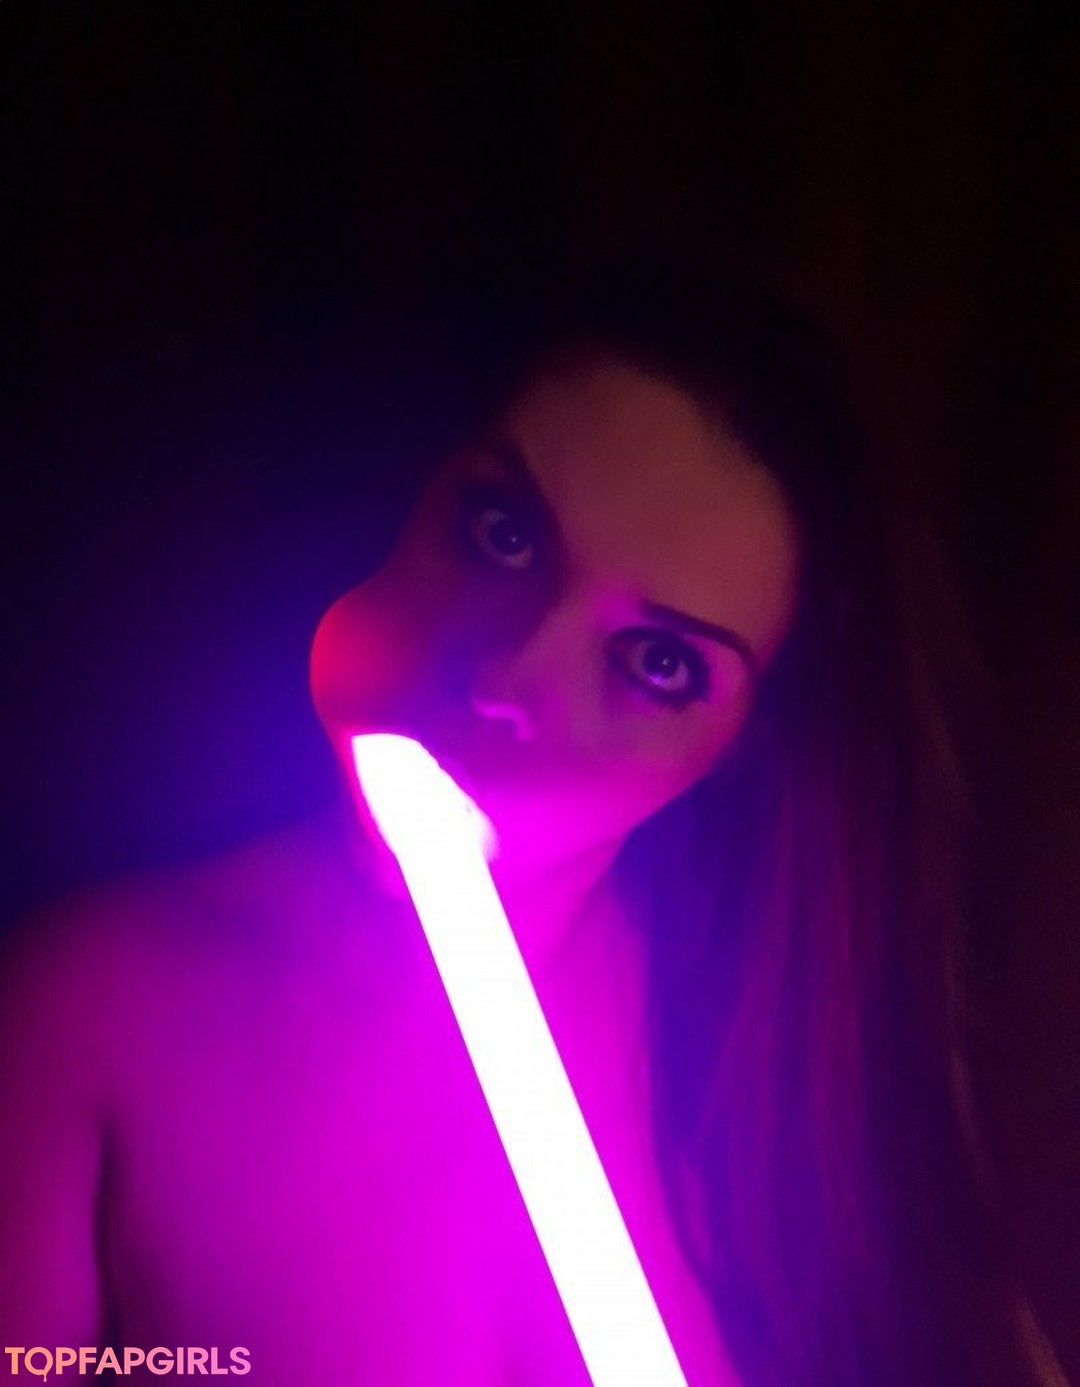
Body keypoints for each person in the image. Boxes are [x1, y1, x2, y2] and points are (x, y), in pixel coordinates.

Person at [0, 268, 1062, 1385]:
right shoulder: (92, 1012)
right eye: (502, 534)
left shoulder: (819, 1078)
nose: (505, 678)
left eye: (657, 664)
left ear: (748, 747)